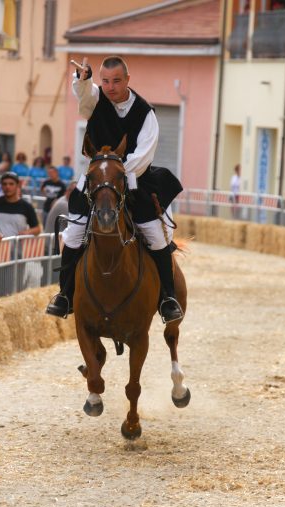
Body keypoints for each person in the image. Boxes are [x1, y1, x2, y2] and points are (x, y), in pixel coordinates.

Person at [46, 55, 184, 323]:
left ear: (128, 80)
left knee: (156, 235)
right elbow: (85, 98)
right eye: (105, 81)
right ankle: (64, 295)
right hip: (96, 180)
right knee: (74, 233)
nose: (111, 87)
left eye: (117, 81)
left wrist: (117, 172)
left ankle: (167, 298)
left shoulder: (146, 113)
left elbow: (144, 154)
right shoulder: (96, 99)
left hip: (133, 179)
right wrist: (83, 80)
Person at [0, 172, 41, 297]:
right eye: (4, 184)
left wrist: (27, 232)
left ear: (17, 186)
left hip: (16, 253)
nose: (7, 187)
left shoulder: (26, 207)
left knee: (14, 290)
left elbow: (37, 229)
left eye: (11, 184)